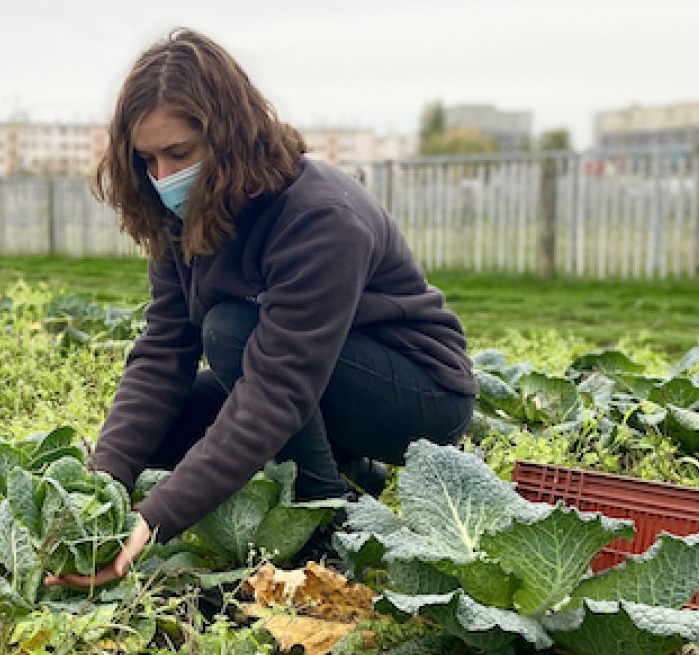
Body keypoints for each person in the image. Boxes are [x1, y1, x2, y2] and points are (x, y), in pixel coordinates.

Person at [46, 29, 476, 589]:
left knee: (231, 331)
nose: (162, 177)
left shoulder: (321, 215)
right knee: (163, 431)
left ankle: (326, 515)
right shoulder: (184, 217)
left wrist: (154, 521)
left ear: (228, 136)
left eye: (179, 153)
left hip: (416, 399)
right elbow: (162, 354)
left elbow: (277, 387)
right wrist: (104, 481)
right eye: (146, 159)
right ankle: (344, 462)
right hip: (314, 383)